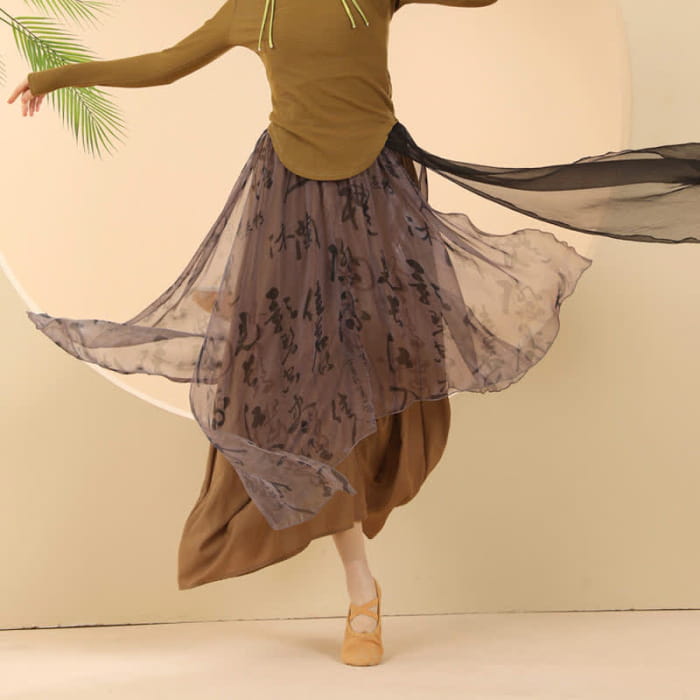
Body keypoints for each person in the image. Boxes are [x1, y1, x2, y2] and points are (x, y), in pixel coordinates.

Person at [7, 0, 700, 667]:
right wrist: (55, 76)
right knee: (307, 388)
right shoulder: (254, 7)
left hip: (375, 200)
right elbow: (164, 64)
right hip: (290, 204)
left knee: (368, 367)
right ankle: (361, 591)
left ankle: (263, 325)